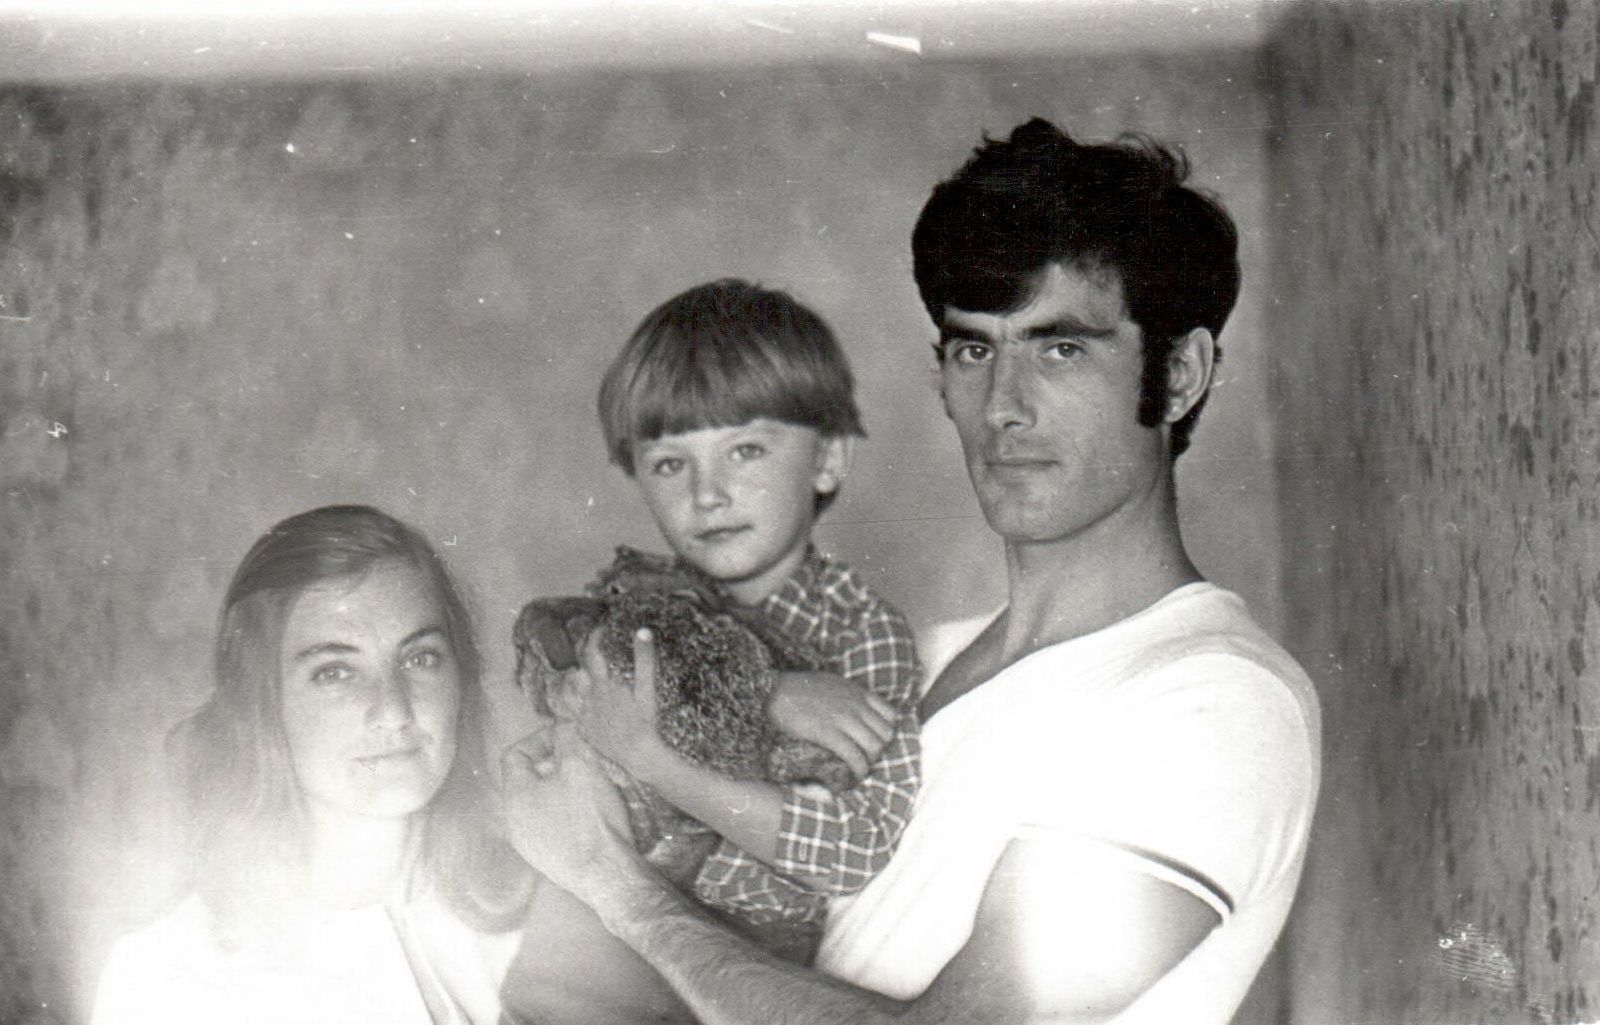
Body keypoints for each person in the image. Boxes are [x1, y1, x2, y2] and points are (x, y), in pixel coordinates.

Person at [501, 118, 1321, 1025]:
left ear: (1178, 375)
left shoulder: (1215, 701)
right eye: (974, 349)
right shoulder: (910, 658)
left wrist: (614, 884)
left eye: (1061, 349)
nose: (1003, 407)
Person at [508, 279, 921, 986]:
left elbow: (855, 847)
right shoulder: (642, 596)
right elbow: (556, 679)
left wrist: (654, 758)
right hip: (581, 938)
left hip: (728, 961)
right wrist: (765, 694)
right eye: (671, 464)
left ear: (826, 460)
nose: (707, 494)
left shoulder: (861, 630)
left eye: (746, 451)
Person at [92, 505, 533, 1025]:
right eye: (335, 672)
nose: (394, 711)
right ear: (263, 704)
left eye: (420, 659)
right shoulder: (164, 978)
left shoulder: (541, 921)